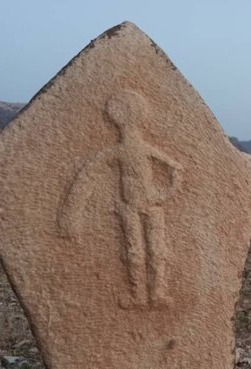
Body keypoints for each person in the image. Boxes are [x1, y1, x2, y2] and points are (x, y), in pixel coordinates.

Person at [58, 90, 181, 309]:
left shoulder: (136, 150)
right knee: (136, 251)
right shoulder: (120, 152)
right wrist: (72, 214)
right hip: (132, 207)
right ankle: (140, 295)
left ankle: (155, 294)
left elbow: (174, 169)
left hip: (149, 205)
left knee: (154, 250)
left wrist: (166, 192)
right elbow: (89, 175)